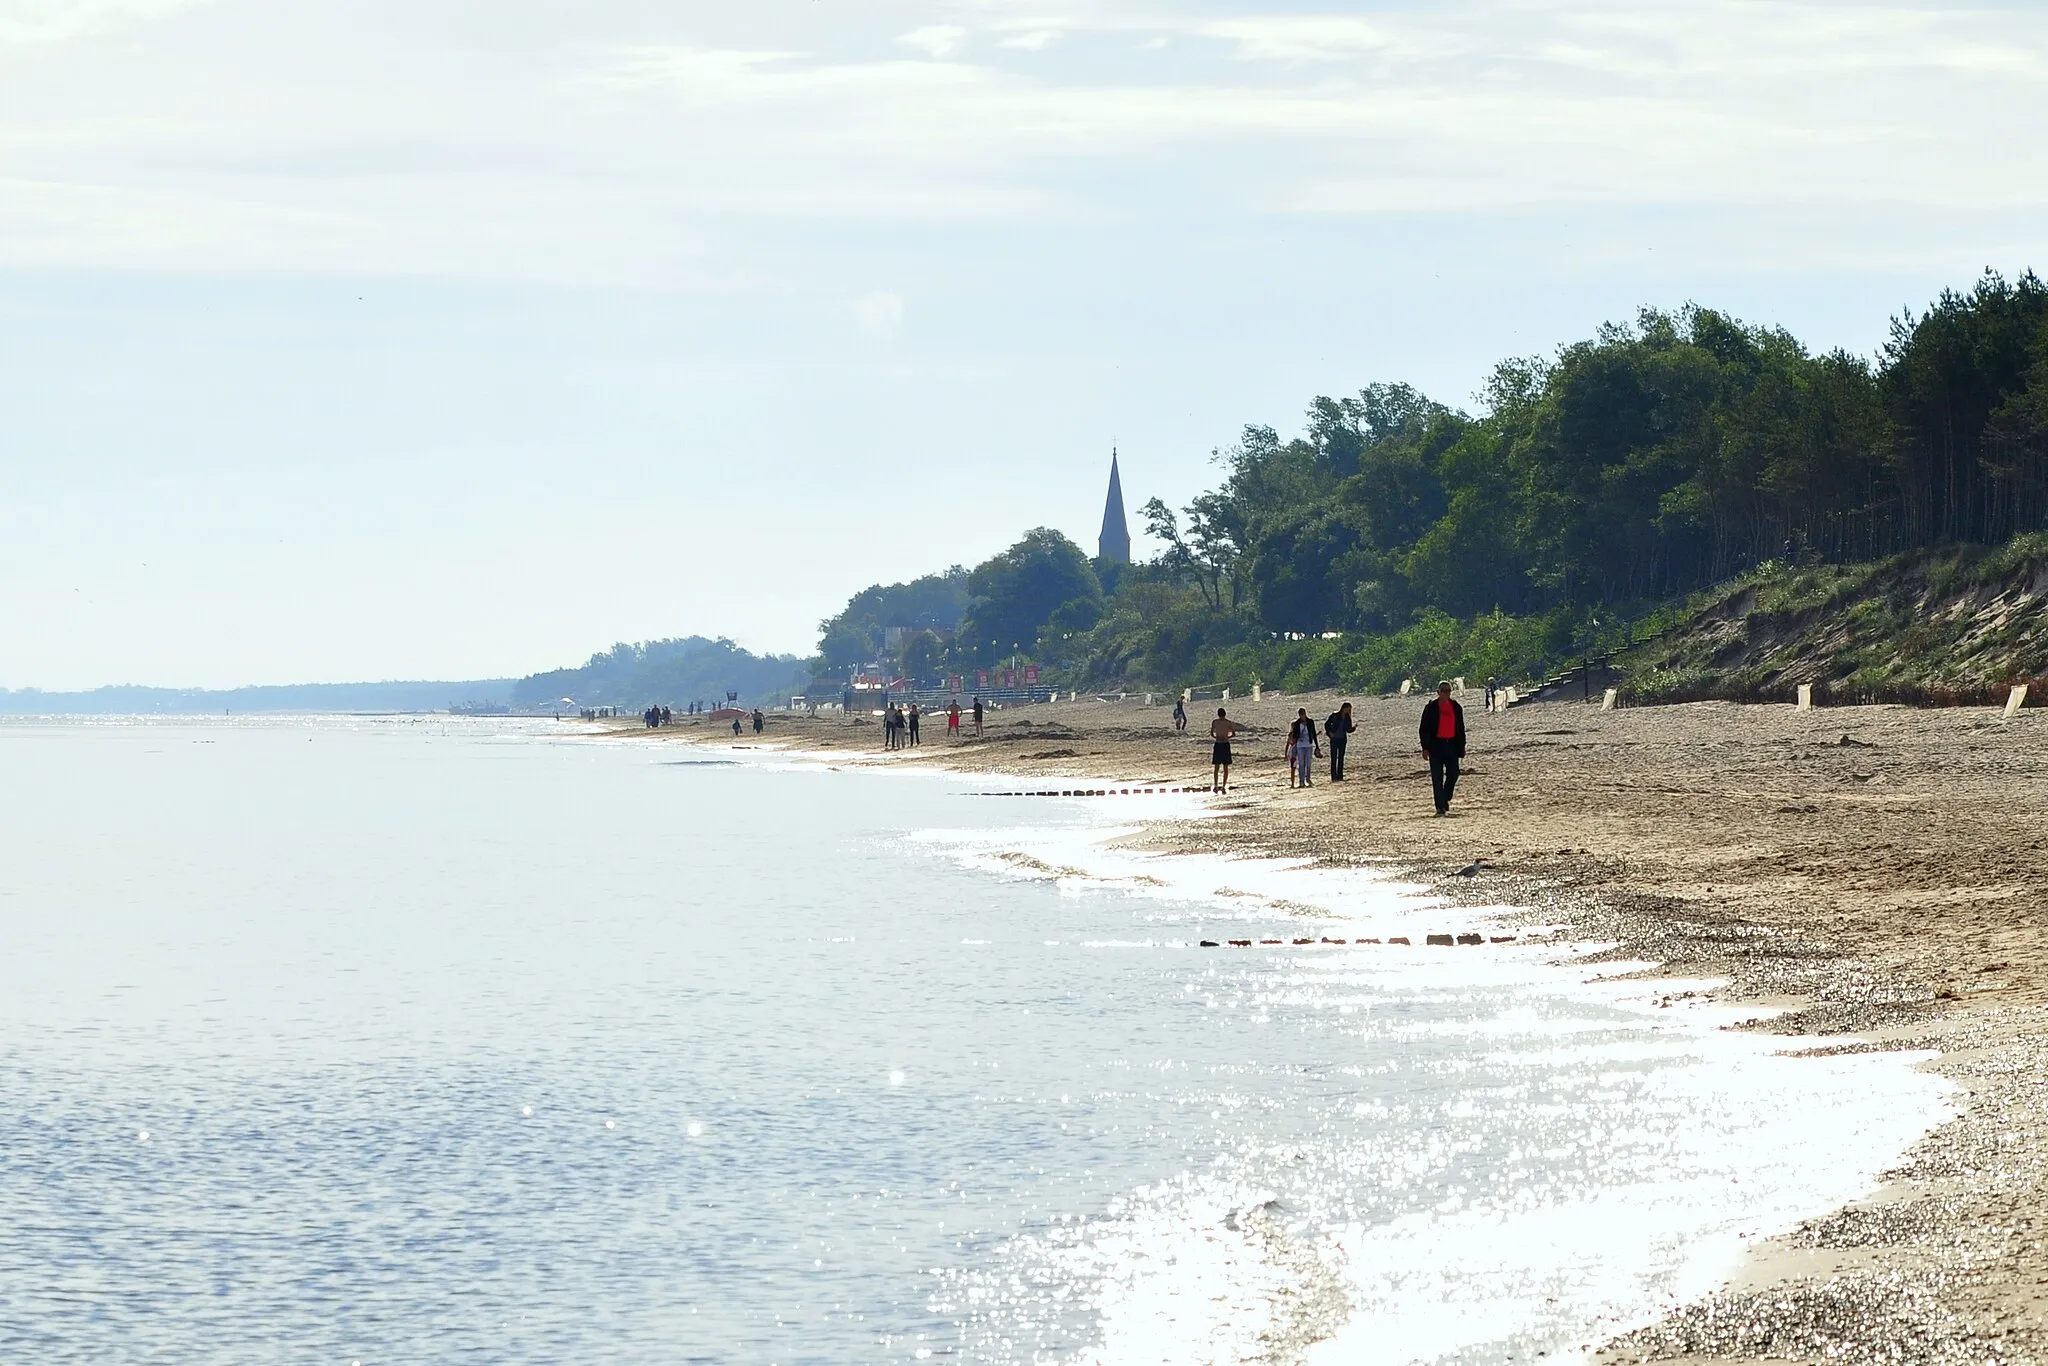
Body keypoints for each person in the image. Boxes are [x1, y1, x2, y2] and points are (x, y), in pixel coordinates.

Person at [1419, 681, 1467, 816]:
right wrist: (1425, 747)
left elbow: (1460, 728)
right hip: (1436, 746)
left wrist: (1462, 746)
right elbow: (1424, 729)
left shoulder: (1456, 707)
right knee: (1437, 777)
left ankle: (1445, 796)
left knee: (1454, 773)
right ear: (1438, 692)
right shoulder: (1431, 708)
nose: (1446, 693)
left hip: (1451, 744)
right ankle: (1440, 806)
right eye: (1443, 691)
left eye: (1448, 691)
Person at [1285, 708, 1319, 788]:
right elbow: (1294, 735)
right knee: (1301, 764)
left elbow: (1313, 733)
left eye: (1303, 714)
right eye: (1301, 715)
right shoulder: (1297, 723)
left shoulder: (1310, 722)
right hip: (1300, 745)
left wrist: (1317, 746)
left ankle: (1308, 779)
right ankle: (1301, 781)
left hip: (1309, 745)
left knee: (1308, 763)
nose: (1302, 716)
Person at [1208, 708, 1239, 793]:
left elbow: (1211, 733)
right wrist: (1227, 737)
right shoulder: (1228, 722)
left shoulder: (1215, 722)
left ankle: (1216, 785)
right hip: (1225, 744)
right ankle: (1223, 786)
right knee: (1225, 767)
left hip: (1218, 743)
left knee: (1216, 767)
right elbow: (1233, 734)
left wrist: (1216, 737)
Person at [1323, 701, 1354, 781]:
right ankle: (1334, 776)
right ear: (1344, 708)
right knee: (1334, 758)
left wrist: (1354, 728)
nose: (1348, 711)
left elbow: (1348, 730)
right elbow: (1327, 725)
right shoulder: (1335, 715)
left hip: (1342, 739)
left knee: (1341, 757)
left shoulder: (1347, 718)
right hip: (1334, 739)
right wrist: (1330, 733)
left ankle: (1340, 776)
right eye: (1347, 709)